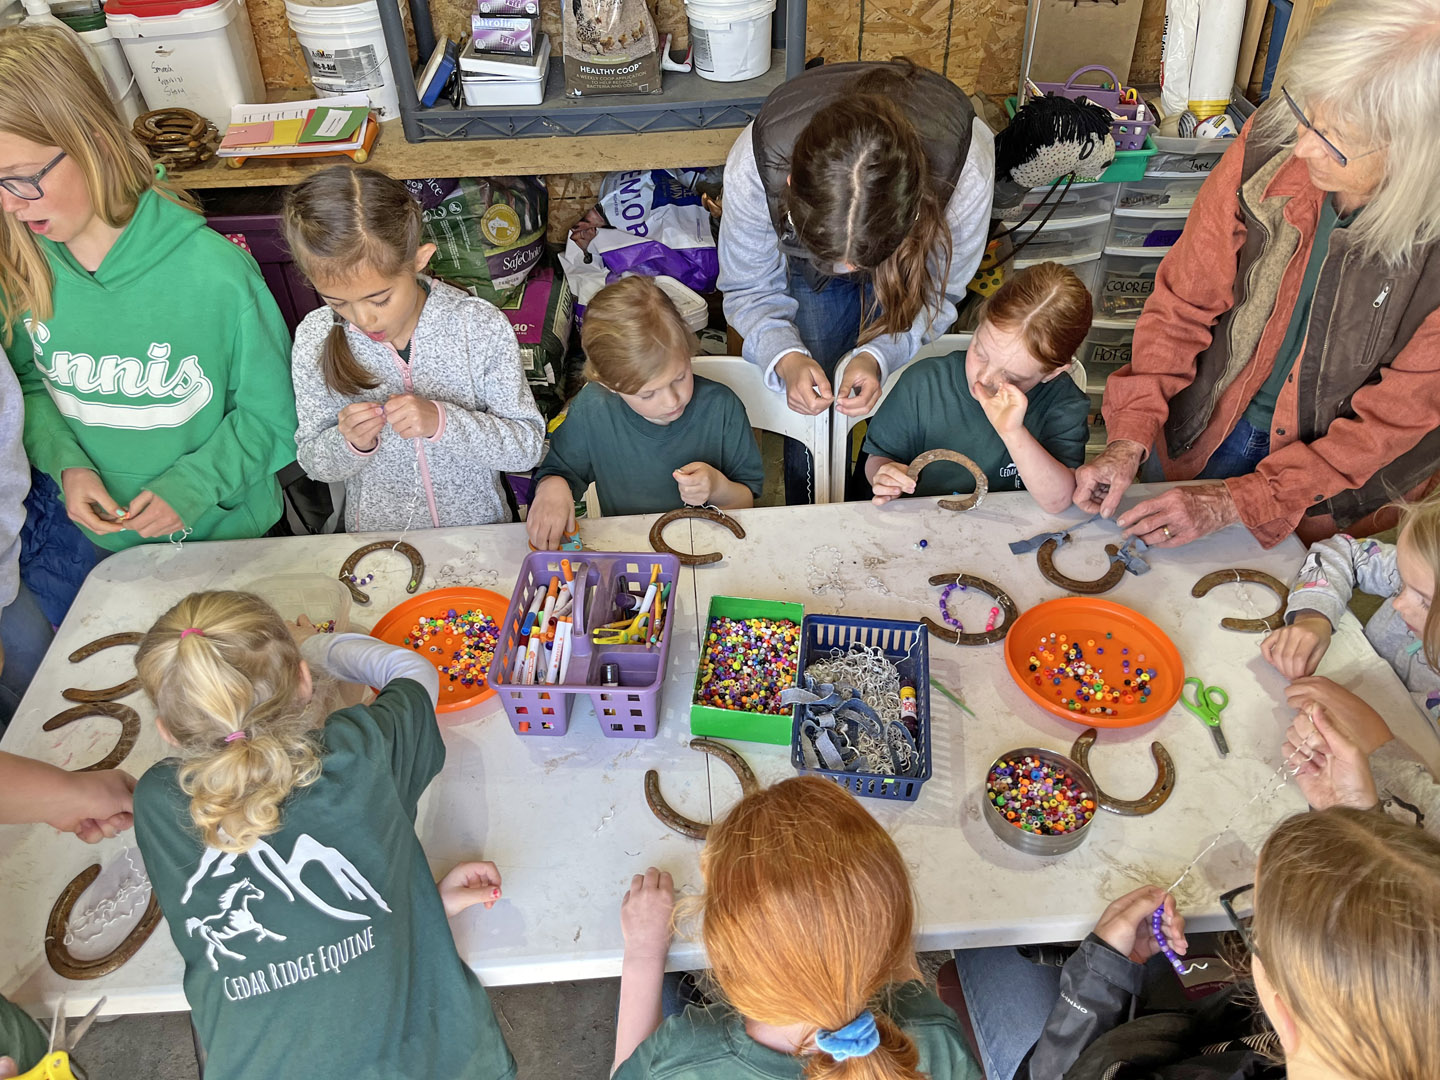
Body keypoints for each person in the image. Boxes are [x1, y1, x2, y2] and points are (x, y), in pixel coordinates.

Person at [1073, 0, 1440, 551]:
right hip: (1210, 421)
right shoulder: (1277, 139)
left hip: (1331, 486)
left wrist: (1237, 501)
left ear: (1416, 155)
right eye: (1305, 111)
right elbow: (1185, 299)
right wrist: (1131, 433)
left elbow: (1392, 422)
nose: (1302, 145)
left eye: (1334, 139)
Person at [130, 592, 516, 1080]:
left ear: (167, 731)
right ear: (305, 683)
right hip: (431, 1061)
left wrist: (416, 904)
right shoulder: (358, 751)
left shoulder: (157, 802)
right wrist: (315, 644)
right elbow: (414, 673)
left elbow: (297, 940)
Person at [0, 27, 298, 619]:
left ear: (93, 141)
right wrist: (70, 465)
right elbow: (28, 387)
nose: (9, 203)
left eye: (21, 177)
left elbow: (276, 416)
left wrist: (194, 487)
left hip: (235, 544)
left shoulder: (217, 275)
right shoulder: (19, 267)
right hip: (106, 555)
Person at [718, 58, 995, 503]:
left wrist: (882, 356)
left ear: (915, 209)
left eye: (859, 258)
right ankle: (811, 512)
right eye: (833, 255)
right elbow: (750, 287)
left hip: (908, 259)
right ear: (791, 184)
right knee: (809, 396)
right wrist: (785, 356)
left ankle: (875, 499)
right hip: (827, 261)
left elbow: (939, 296)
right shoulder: (755, 166)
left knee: (893, 394)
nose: (848, 271)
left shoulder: (965, 173)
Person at [1018, 807, 1439, 1080]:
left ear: (1280, 1005)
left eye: (1255, 927)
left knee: (994, 964)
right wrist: (1363, 837)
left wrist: (1099, 978)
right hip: (1182, 1040)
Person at [611, 775, 983, 1079]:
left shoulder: (681, 1056)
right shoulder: (932, 1031)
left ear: (723, 959)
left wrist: (643, 954)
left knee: (668, 986)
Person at [286, 166, 544, 531]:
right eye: (337, 302)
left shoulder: (476, 325)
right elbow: (313, 461)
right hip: (377, 544)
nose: (363, 320)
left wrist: (443, 421)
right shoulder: (316, 336)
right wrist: (349, 443)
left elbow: (526, 447)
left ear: (419, 260)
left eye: (380, 298)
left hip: (479, 534)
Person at [527, 276, 764, 549]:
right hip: (631, 550)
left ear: (688, 351)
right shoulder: (593, 408)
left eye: (680, 377)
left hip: (714, 547)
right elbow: (560, 472)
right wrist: (552, 487)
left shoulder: (722, 407)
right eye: (648, 394)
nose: (671, 400)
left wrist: (717, 487)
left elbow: (746, 502)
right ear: (609, 384)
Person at [1258, 490, 1440, 834]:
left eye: (1426, 602)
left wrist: (1377, 739)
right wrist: (1314, 617)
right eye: (1402, 582)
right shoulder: (1424, 569)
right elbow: (1343, 551)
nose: (1399, 604)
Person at [864, 261, 1091, 513]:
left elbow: (1058, 501)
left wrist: (1013, 432)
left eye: (1012, 376)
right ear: (980, 322)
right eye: (980, 353)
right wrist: (884, 475)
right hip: (923, 524)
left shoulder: (1064, 402)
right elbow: (878, 458)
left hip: (1013, 529)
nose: (983, 378)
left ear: (1052, 372)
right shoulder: (924, 383)